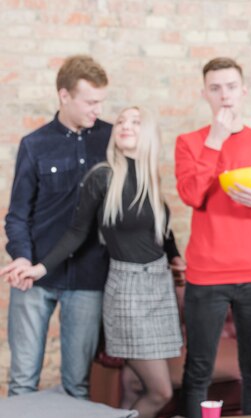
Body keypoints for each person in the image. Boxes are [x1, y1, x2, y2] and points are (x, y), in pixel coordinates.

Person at [2, 107, 185, 418]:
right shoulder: (103, 176)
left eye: (135, 122)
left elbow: (158, 229)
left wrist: (175, 255)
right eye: (122, 122)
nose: (125, 126)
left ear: (149, 132)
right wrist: (39, 267)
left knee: (136, 387)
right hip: (128, 291)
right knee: (160, 391)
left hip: (159, 287)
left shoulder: (150, 177)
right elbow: (76, 233)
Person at [174, 57, 251, 417]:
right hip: (206, 276)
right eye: (215, 88)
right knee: (198, 369)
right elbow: (192, 196)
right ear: (204, 94)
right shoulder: (190, 142)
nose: (223, 95)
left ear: (243, 91)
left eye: (230, 87)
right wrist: (214, 141)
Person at [2, 55, 110, 399]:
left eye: (100, 102)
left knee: (76, 385)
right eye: (89, 101)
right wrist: (21, 258)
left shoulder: (110, 139)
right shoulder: (34, 145)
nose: (97, 109)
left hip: (89, 278)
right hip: (36, 276)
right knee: (22, 384)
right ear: (64, 96)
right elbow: (17, 214)